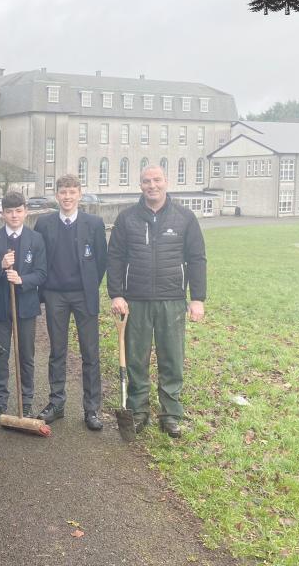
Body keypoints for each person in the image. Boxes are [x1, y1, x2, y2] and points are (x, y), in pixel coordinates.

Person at [107, 165, 207, 438]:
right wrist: (116, 293)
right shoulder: (127, 218)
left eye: (157, 180)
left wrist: (197, 298)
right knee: (136, 359)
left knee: (172, 359)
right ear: (140, 185)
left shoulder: (185, 218)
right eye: (146, 181)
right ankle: (138, 411)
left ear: (166, 182)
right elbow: (114, 258)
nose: (152, 185)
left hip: (172, 299)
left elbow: (197, 259)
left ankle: (170, 414)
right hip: (135, 301)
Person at [33, 174, 108, 430]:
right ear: (57, 195)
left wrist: (88, 285)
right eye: (63, 192)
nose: (67, 197)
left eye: (72, 192)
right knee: (57, 351)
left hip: (84, 294)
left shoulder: (94, 224)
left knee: (90, 352)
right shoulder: (44, 224)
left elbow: (101, 261)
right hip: (55, 295)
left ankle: (92, 409)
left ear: (79, 194)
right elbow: (39, 258)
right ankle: (57, 403)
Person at [0, 191, 46, 420]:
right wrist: (1, 264)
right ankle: (0, 401)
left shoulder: (35, 239)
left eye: (18, 211)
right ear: (3, 214)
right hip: (0, 307)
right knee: (0, 356)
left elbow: (41, 273)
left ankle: (26, 401)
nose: (14, 215)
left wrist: (22, 280)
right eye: (9, 212)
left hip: (26, 307)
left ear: (25, 212)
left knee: (26, 355)